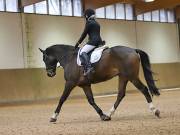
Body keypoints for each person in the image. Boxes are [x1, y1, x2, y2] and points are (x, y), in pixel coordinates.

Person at [75, 8, 104, 76]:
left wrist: (77, 44)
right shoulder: (97, 23)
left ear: (87, 16)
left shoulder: (89, 23)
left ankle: (88, 67)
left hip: (93, 42)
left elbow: (83, 35)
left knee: (82, 52)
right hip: (99, 41)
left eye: (85, 16)